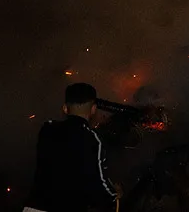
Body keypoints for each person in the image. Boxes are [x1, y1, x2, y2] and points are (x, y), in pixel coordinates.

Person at [23, 83, 120, 212]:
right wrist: (114, 194)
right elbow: (98, 182)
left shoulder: (47, 129)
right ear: (93, 109)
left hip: (34, 207)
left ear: (65, 108)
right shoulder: (92, 139)